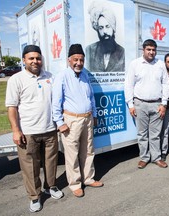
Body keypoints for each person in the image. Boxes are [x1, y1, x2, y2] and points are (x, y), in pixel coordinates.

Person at [5, 45, 63, 213]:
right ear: (24, 60)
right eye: (31, 58)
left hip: (49, 129)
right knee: (30, 166)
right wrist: (16, 130)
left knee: (51, 162)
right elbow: (12, 108)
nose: (35, 61)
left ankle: (51, 186)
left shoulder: (49, 77)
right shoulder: (16, 79)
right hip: (28, 132)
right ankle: (34, 196)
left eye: (38, 58)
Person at [52, 44, 103, 198]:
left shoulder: (85, 75)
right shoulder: (62, 76)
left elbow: (91, 97)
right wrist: (60, 122)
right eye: (76, 59)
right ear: (69, 60)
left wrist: (94, 115)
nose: (79, 63)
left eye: (81, 60)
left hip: (87, 118)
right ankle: (75, 184)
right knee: (72, 153)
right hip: (71, 120)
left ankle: (88, 178)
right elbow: (56, 102)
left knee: (88, 150)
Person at [124, 39, 169, 169]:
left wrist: (164, 104)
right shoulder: (135, 64)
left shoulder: (160, 64)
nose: (151, 52)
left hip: (157, 104)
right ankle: (144, 157)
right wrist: (130, 104)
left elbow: (165, 84)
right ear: (143, 50)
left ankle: (156, 158)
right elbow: (128, 84)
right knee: (142, 134)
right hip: (140, 104)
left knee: (155, 134)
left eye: (153, 50)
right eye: (148, 49)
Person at [86, 2, 125, 72]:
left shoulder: (122, 52)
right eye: (101, 28)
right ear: (98, 30)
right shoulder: (90, 50)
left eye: (107, 27)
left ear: (113, 28)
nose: (105, 31)